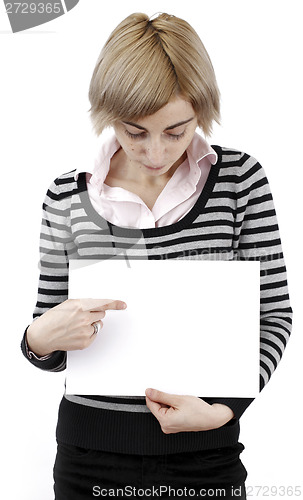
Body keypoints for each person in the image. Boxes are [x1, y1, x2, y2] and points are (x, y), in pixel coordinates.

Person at [21, 12, 292, 500]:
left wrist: (225, 408)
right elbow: (49, 334)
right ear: (108, 115)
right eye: (134, 131)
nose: (155, 151)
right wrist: (37, 341)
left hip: (206, 456)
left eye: (176, 130)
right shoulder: (66, 196)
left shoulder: (240, 181)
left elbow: (272, 314)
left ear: (202, 113)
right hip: (90, 460)